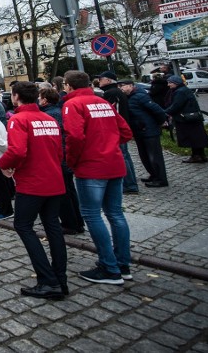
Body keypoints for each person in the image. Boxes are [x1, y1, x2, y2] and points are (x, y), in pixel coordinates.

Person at [62, 71, 133, 285]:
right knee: (116, 215)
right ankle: (123, 265)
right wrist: (109, 144)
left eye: (65, 85)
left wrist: (72, 161)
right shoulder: (102, 102)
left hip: (91, 167)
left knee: (92, 216)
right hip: (114, 164)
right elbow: (126, 132)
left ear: (69, 86)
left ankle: (109, 268)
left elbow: (74, 136)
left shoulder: (72, 104)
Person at [0, 82, 68, 300]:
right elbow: (59, 151)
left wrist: (4, 164)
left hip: (32, 182)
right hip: (54, 180)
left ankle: (47, 280)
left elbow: (17, 150)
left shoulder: (18, 119)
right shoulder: (48, 119)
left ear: (16, 96)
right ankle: (60, 278)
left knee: (23, 225)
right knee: (53, 227)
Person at [38, 88, 84, 235]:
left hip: (60, 158)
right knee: (70, 191)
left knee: (64, 194)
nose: (39, 100)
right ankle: (78, 221)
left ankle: (70, 224)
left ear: (45, 100)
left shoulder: (47, 115)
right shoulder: (60, 111)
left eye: (40, 98)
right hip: (66, 157)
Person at [118, 80, 168, 187]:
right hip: (139, 131)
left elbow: (157, 110)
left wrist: (160, 122)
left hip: (149, 130)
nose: (121, 88)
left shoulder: (140, 96)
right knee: (144, 155)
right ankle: (154, 175)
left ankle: (161, 179)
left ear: (131, 86)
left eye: (122, 86)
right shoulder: (129, 98)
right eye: (119, 86)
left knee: (154, 156)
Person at [96, 71, 139, 195]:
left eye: (101, 79)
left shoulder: (112, 93)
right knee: (125, 155)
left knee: (122, 156)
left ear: (108, 80)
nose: (99, 81)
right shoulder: (116, 91)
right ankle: (130, 182)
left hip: (116, 130)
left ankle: (129, 184)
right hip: (120, 128)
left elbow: (113, 113)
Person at [164, 75, 208, 163]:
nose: (168, 85)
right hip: (193, 117)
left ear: (176, 83)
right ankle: (201, 155)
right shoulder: (184, 89)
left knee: (192, 138)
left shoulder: (180, 92)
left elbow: (176, 106)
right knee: (197, 137)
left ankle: (196, 156)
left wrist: (164, 112)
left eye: (170, 83)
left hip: (186, 118)